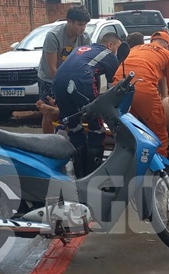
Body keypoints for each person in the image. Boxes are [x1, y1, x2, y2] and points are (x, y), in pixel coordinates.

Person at [52, 32, 123, 178]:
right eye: (117, 47)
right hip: (81, 80)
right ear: (110, 45)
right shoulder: (107, 54)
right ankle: (92, 174)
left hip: (58, 81)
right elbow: (114, 87)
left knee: (74, 127)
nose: (116, 52)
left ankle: (79, 174)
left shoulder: (83, 49)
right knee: (96, 127)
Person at [114, 30, 169, 154]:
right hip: (142, 88)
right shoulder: (167, 55)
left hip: (118, 85)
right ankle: (159, 170)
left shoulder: (135, 49)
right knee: (159, 134)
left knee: (129, 131)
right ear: (167, 45)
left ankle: (128, 165)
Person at [37, 5, 91, 133]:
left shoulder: (85, 38)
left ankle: (66, 140)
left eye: (84, 25)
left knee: (69, 111)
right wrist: (62, 90)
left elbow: (85, 65)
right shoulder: (53, 36)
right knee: (49, 112)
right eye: (79, 24)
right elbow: (52, 68)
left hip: (70, 78)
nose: (82, 28)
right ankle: (48, 141)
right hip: (49, 78)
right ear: (69, 21)